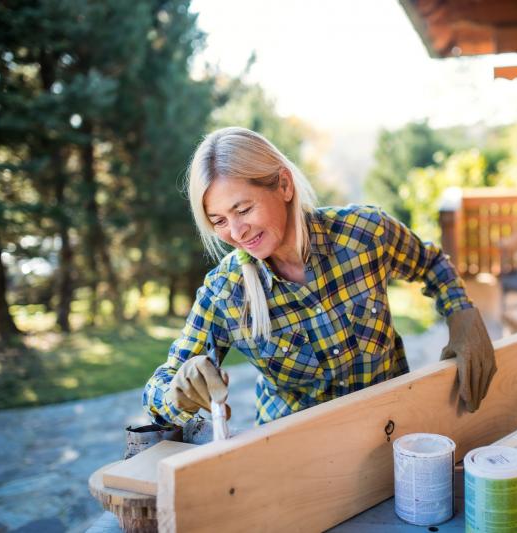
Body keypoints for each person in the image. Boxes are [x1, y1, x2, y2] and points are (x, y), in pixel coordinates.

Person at [143, 126, 496, 428]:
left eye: (243, 209)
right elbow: (157, 390)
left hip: (392, 431)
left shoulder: (364, 234)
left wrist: (461, 313)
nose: (235, 232)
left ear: (283, 185)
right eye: (218, 221)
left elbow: (431, 264)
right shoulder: (225, 294)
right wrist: (178, 392)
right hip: (297, 462)